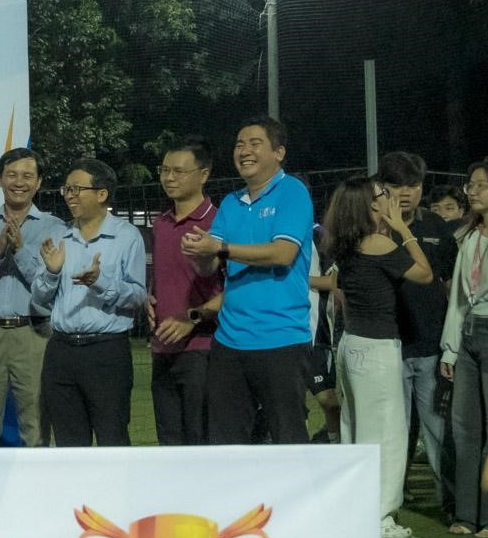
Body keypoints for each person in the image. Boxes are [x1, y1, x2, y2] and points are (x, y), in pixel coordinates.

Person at [183, 117, 315, 445]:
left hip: (281, 339)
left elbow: (282, 253)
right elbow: (209, 267)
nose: (244, 151)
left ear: (279, 153)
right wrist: (200, 252)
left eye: (255, 143)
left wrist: (221, 248)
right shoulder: (231, 202)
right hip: (229, 342)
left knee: (288, 441)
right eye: (239, 145)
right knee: (225, 443)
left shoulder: (292, 192)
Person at [323, 176, 434, 538]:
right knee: (385, 434)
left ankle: (357, 506)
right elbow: (424, 273)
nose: (390, 197)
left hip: (352, 343)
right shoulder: (378, 242)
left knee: (355, 429)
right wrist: (403, 228)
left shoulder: (345, 242)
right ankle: (380, 515)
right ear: (371, 204)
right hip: (376, 348)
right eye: (383, 194)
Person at [33, 160, 148, 447]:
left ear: (102, 194)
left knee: (112, 439)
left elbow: (138, 296)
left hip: (106, 352)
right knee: (69, 445)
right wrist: (52, 272)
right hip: (61, 351)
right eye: (67, 189)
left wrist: (101, 282)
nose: (69, 196)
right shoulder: (59, 237)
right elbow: (39, 298)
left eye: (77, 189)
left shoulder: (126, 236)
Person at [379, 152, 459, 517]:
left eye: (413, 185)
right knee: (394, 430)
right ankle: (390, 498)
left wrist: (451, 342)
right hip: (387, 346)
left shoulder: (438, 227)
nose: (406, 193)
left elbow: (451, 283)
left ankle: (451, 503)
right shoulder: (373, 227)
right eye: (396, 185)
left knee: (437, 429)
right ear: (382, 187)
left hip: (429, 345)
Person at [0, 147, 62, 446]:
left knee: (36, 425)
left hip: (33, 333)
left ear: (39, 182)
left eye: (27, 176)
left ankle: (37, 478)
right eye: (11, 175)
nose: (19, 182)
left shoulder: (54, 228)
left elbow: (49, 285)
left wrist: (19, 250)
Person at [439, 157, 488, 537]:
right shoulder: (468, 236)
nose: (473, 191)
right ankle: (466, 515)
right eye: (471, 184)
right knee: (464, 431)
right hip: (468, 335)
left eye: (482, 185)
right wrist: (450, 348)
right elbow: (459, 300)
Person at [147, 137, 223, 445]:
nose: (169, 178)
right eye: (165, 170)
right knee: (169, 445)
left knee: (201, 442)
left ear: (203, 174)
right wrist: (149, 299)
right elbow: (165, 277)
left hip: (204, 349)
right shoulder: (161, 224)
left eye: (178, 171)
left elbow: (238, 290)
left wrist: (193, 317)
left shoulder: (219, 222)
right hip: (162, 349)